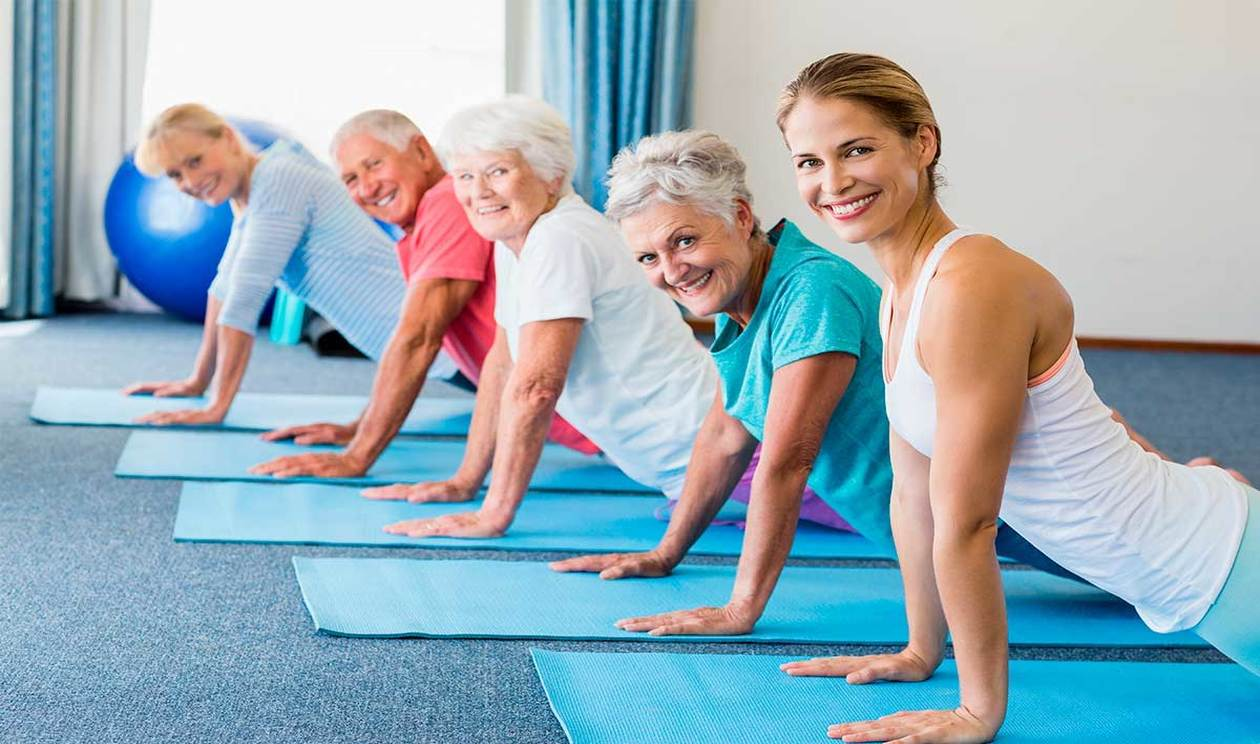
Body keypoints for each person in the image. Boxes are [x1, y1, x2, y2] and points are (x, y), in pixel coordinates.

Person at [769, 53, 1258, 743]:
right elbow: (914, 499)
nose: (832, 181)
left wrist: (977, 714)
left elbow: (969, 523)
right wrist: (920, 649)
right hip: (1192, 569)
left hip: (1224, 566)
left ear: (922, 143)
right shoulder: (899, 295)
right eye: (808, 161)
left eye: (857, 150)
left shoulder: (973, 285)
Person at [551, 130, 1088, 636]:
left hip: (1029, 502)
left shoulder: (812, 290)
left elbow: (787, 462)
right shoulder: (738, 296)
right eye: (648, 257)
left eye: (685, 240)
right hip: (952, 517)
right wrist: (664, 553)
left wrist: (741, 608)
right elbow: (725, 435)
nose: (672, 271)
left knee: (1152, 567)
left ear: (740, 217)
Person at [367, 96, 725, 536]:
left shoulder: (560, 238)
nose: (478, 191)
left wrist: (494, 514)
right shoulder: (517, 236)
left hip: (728, 455)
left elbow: (536, 388)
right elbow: (502, 364)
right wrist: (465, 482)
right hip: (699, 463)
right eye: (464, 175)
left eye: (498, 171)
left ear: (551, 174)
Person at [248, 110, 596, 482]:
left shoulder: (447, 201)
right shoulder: (424, 222)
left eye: (374, 165)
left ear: (421, 152)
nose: (366, 188)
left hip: (609, 426)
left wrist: (356, 456)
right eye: (351, 178)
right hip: (593, 429)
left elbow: (417, 339)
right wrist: (359, 426)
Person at [124, 103, 404, 425]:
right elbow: (224, 287)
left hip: (442, 341)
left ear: (228, 138)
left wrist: (216, 408)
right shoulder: (251, 189)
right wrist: (198, 381)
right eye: (175, 174)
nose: (191, 181)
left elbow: (244, 299)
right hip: (406, 346)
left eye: (195, 161)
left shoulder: (278, 179)